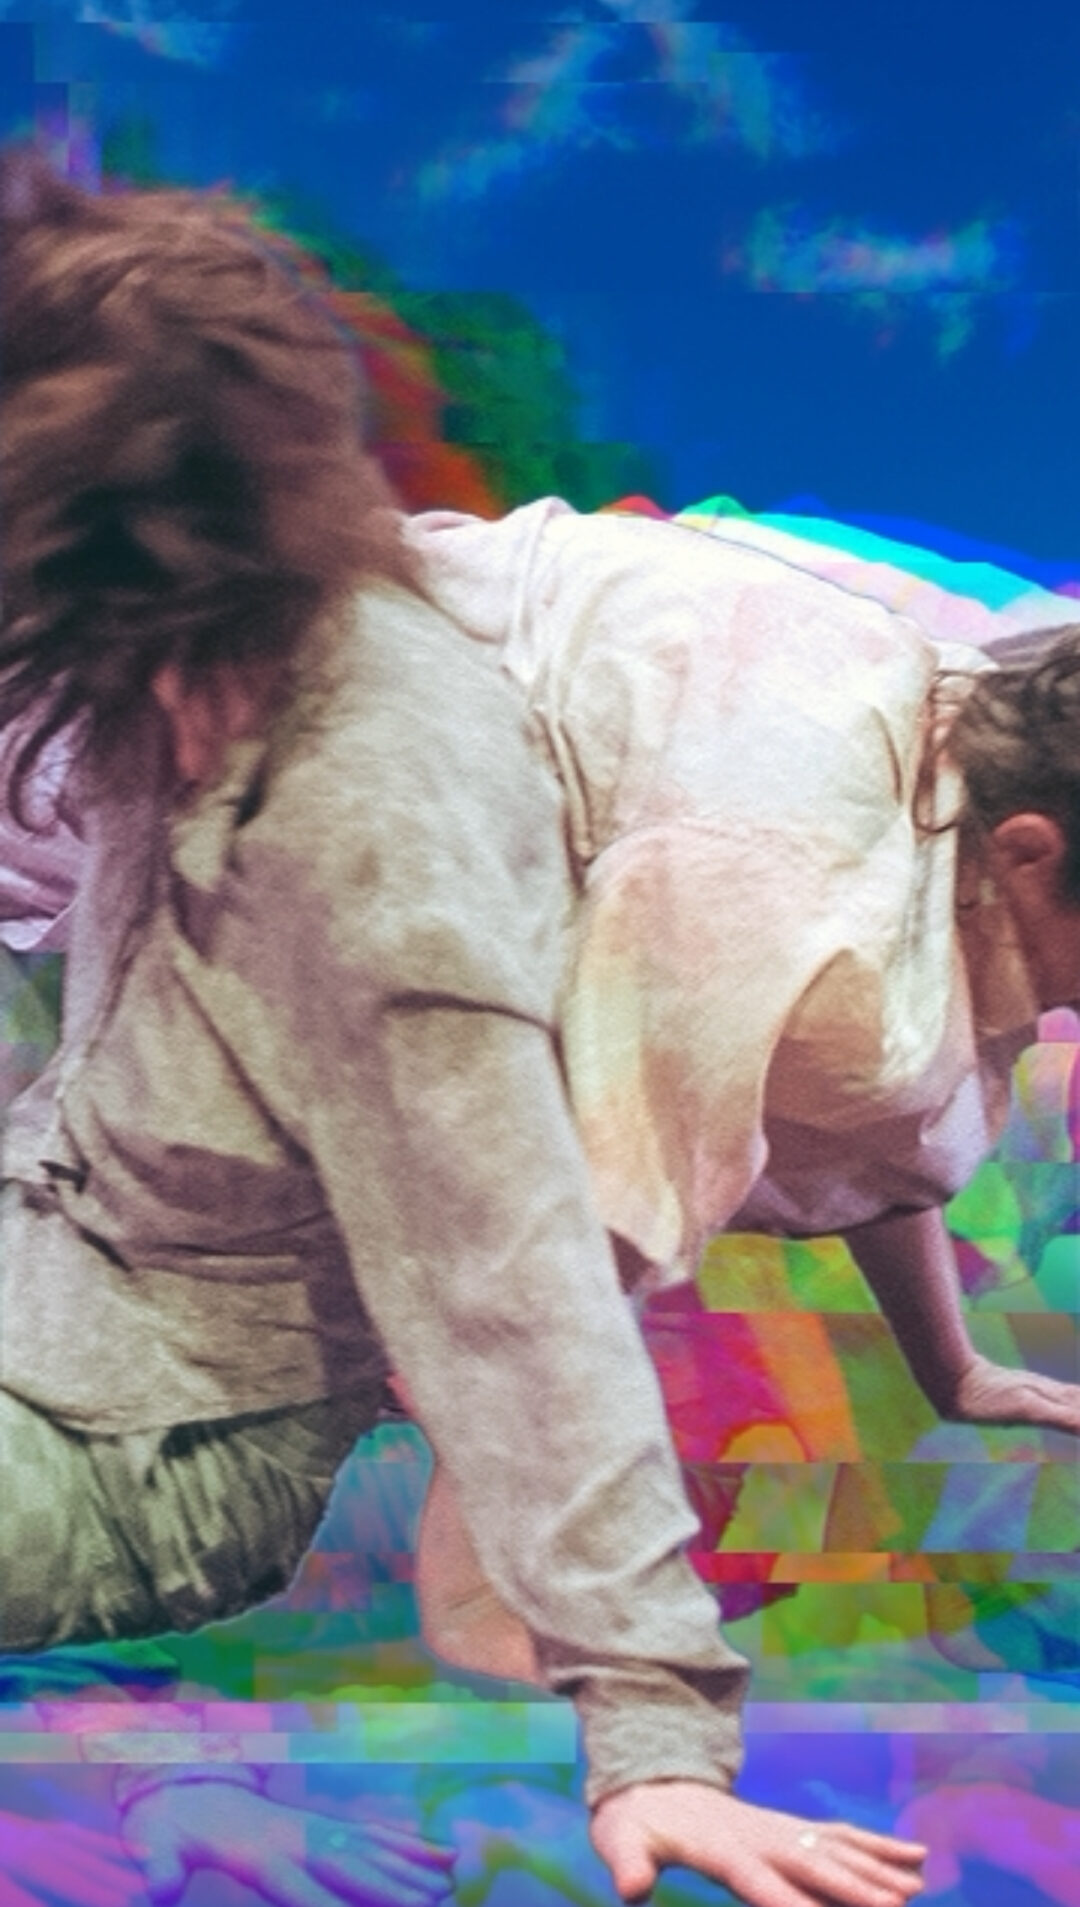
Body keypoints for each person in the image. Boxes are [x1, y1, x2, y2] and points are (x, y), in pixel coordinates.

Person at [0, 146, 1070, 1907]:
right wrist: (956, 1372)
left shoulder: (380, 822)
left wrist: (643, 1715)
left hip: (146, 1447)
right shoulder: (210, 682)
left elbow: (525, 1271)